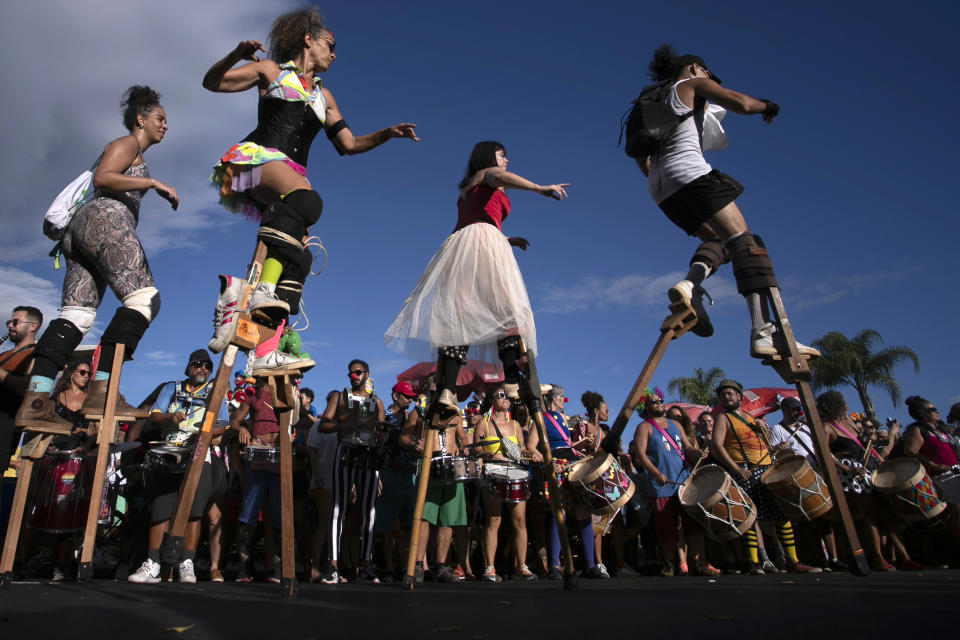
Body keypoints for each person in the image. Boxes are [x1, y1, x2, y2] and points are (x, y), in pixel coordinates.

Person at [204, 7, 418, 368]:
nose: (333, 54)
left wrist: (388, 133)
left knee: (299, 257)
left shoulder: (325, 97)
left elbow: (348, 144)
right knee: (308, 201)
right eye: (329, 44)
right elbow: (213, 82)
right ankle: (253, 292)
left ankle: (264, 351)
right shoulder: (271, 71)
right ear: (308, 39)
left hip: (290, 174)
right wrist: (235, 56)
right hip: (255, 161)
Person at [633, 45, 818, 359]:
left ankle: (690, 286)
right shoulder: (691, 84)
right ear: (694, 68)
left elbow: (641, 155)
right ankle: (764, 333)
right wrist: (768, 106)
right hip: (690, 173)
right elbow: (741, 103)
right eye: (707, 72)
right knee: (747, 243)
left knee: (720, 241)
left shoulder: (653, 100)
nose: (708, 78)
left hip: (661, 188)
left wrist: (661, 175)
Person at [18, 87, 177, 431]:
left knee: (76, 316)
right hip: (105, 219)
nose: (166, 126)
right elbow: (103, 177)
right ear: (141, 119)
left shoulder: (131, 147)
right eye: (160, 119)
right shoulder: (127, 144)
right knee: (144, 299)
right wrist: (153, 183)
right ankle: (102, 390)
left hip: (80, 233)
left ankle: (36, 400)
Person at [384, 140, 568, 415]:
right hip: (481, 241)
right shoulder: (486, 174)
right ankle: (511, 377)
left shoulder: (469, 186)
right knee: (506, 308)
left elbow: (470, 220)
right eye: (502, 155)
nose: (506, 160)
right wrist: (539, 188)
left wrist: (505, 239)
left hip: (469, 242)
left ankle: (448, 388)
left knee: (464, 313)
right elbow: (501, 177)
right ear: (488, 157)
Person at [128, 350, 228, 584]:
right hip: (168, 452)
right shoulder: (171, 388)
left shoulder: (215, 392)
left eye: (207, 366)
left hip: (198, 454)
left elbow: (223, 424)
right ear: (187, 368)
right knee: (161, 508)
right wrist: (168, 419)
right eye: (197, 364)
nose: (203, 368)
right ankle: (152, 562)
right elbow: (154, 416)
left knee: (194, 511)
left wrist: (204, 434)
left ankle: (187, 563)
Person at [710, 379, 817, 574]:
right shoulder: (723, 419)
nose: (726, 397)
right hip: (745, 469)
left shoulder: (751, 418)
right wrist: (736, 468)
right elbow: (716, 446)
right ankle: (755, 562)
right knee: (750, 517)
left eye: (730, 394)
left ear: (739, 397)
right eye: (723, 394)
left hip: (765, 468)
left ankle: (792, 560)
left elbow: (765, 444)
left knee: (780, 514)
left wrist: (764, 430)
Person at [632, 387, 719, 577]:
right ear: (645, 407)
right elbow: (640, 454)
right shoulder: (644, 427)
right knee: (666, 525)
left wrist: (698, 454)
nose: (659, 403)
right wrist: (655, 473)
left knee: (693, 523)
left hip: (683, 481)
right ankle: (669, 563)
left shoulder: (676, 425)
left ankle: (696, 562)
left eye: (660, 400)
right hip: (662, 484)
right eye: (654, 401)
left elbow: (687, 447)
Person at [526, 384, 606, 579]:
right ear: (551, 398)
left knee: (582, 511)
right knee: (558, 513)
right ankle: (554, 565)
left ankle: (589, 565)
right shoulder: (540, 419)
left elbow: (567, 445)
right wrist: (549, 463)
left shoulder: (563, 419)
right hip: (556, 467)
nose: (563, 400)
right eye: (560, 396)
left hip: (571, 466)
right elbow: (530, 447)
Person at [317, 359, 385, 584]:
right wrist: (342, 426)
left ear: (367, 374)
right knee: (338, 507)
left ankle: (366, 564)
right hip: (346, 449)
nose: (353, 376)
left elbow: (382, 433)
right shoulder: (340, 396)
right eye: (350, 374)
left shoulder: (377, 402)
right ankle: (333, 565)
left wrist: (380, 470)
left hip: (368, 454)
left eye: (357, 373)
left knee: (370, 510)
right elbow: (323, 424)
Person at [400, 376, 472, 584]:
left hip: (452, 465)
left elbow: (463, 439)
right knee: (424, 517)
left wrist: (465, 449)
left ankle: (440, 566)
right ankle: (417, 565)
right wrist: (414, 445)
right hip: (429, 464)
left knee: (448, 519)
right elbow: (403, 437)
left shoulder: (456, 414)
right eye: (434, 388)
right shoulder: (420, 412)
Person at [473, 387, 538, 581]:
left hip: (515, 471)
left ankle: (522, 565)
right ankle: (490, 567)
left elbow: (522, 448)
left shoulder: (516, 424)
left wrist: (531, 453)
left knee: (519, 521)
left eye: (507, 396)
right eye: (501, 396)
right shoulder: (484, 424)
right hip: (492, 471)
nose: (505, 399)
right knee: (493, 520)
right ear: (492, 400)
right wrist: (489, 454)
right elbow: (476, 448)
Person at [373, 381, 420, 582]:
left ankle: (405, 566)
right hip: (389, 472)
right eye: (406, 396)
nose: (409, 400)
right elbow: (377, 446)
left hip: (408, 474)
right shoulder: (385, 419)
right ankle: (389, 567)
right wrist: (377, 475)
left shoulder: (412, 419)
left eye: (411, 397)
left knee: (407, 526)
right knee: (386, 526)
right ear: (395, 396)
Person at [903, 396, 960, 546]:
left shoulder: (942, 429)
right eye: (932, 410)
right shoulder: (918, 430)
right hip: (942, 476)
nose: (937, 412)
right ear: (923, 413)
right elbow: (911, 450)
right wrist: (933, 465)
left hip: (956, 472)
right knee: (957, 512)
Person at [1, 306, 41, 473]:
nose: (10, 325)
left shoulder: (36, 355)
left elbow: (26, 389)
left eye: (15, 322)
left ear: (32, 326)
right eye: (9, 322)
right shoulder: (4, 355)